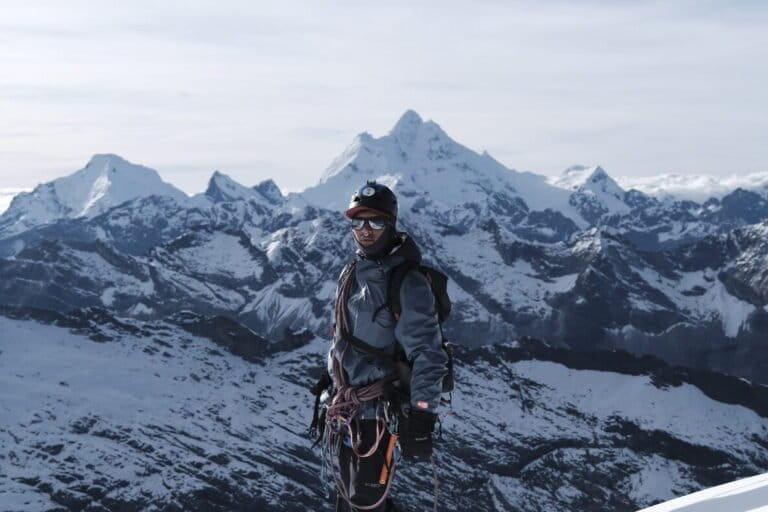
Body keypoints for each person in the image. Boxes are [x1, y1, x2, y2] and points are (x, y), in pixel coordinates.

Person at [319, 180, 449, 512]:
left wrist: (422, 414)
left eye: (375, 221)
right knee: (350, 502)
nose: (366, 230)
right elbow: (342, 335)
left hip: (381, 411)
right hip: (349, 409)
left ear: (390, 224)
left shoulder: (408, 281)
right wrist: (332, 380)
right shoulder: (351, 272)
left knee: (366, 502)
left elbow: (428, 352)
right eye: (358, 221)